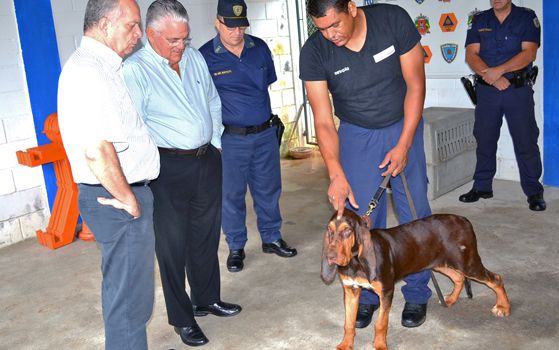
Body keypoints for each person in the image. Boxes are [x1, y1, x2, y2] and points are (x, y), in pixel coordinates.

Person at [300, 0, 432, 329]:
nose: (330, 35)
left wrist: (403, 144)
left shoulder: (392, 20)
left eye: (335, 25)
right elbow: (324, 121)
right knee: (362, 222)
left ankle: (417, 292)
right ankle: (369, 293)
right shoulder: (315, 51)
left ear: (352, 7)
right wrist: (335, 174)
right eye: (322, 28)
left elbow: (416, 85)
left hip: (402, 125)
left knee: (415, 216)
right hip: (357, 135)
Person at [122, 0, 240, 347]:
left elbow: (212, 100)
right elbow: (134, 126)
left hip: (206, 159)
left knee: (205, 235)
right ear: (151, 34)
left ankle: (206, 298)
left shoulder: (194, 57)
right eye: (173, 40)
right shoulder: (136, 69)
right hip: (166, 168)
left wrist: (215, 141)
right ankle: (182, 317)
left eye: (184, 39)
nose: (180, 47)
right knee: (172, 246)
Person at [57, 0, 159, 349]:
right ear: (103, 25)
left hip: (121, 196)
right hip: (118, 200)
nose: (139, 34)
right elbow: (96, 149)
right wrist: (128, 199)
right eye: (131, 25)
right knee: (129, 305)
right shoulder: (89, 71)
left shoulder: (102, 66)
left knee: (128, 294)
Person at [199, 0, 297, 274]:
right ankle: (236, 247)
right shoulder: (205, 56)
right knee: (231, 195)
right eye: (231, 26)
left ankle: (271, 237)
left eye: (242, 26)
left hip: (264, 134)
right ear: (218, 22)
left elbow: (265, 85)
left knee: (269, 189)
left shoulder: (260, 48)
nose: (237, 32)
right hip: (230, 139)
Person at [460, 0, 546, 211]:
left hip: (517, 90)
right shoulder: (480, 19)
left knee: (526, 140)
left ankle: (534, 191)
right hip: (487, 90)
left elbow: (529, 53)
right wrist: (491, 77)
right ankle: (482, 186)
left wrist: (498, 71)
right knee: (484, 138)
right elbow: (471, 54)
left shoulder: (526, 17)